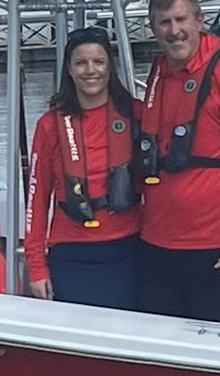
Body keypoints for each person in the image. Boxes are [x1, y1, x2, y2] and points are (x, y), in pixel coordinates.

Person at [134, 0, 220, 323]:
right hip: (156, 246)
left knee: (214, 351)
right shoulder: (156, 77)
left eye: (181, 19)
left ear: (199, 20)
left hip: (213, 250)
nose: (174, 31)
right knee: (158, 351)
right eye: (164, 22)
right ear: (153, 29)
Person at [23, 28, 141, 309]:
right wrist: (36, 266)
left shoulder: (136, 114)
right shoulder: (49, 125)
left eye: (98, 62)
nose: (91, 70)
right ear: (69, 69)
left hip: (129, 249)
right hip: (71, 253)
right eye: (81, 63)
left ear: (109, 66)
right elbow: (36, 201)